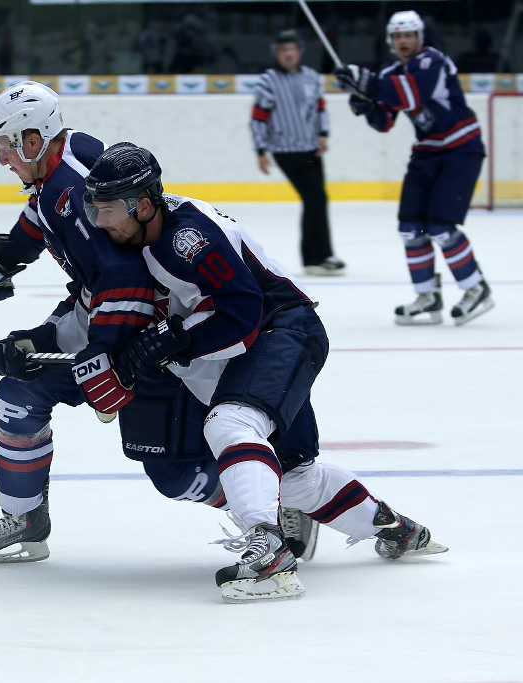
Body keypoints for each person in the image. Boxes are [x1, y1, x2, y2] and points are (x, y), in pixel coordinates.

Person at [0, 81, 322, 578]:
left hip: (150, 336)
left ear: (33, 140)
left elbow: (126, 278)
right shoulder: (64, 161)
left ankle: (277, 507)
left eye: (5, 145)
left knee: (175, 474)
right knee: (19, 394)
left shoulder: (74, 181)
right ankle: (25, 519)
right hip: (111, 323)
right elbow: (45, 214)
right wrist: (8, 255)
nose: (2, 157)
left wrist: (102, 351)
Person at [82, 141, 447, 602]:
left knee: (230, 423)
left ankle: (270, 551)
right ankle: (397, 529)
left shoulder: (187, 237)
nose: (100, 222)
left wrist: (176, 339)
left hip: (282, 330)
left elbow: (241, 310)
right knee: (297, 478)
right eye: (95, 209)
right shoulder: (148, 233)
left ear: (144, 204)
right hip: (256, 342)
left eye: (109, 210)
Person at [335, 10, 494, 326]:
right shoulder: (390, 72)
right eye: (397, 36)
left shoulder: (432, 61)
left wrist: (368, 82)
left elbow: (411, 93)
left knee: (441, 228)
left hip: (461, 149)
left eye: (408, 34)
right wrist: (364, 102)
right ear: (390, 41)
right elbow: (384, 121)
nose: (403, 41)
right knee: (410, 229)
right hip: (426, 153)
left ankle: (476, 288)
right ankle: (427, 296)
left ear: (420, 37)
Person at [251, 29, 345, 277]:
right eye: (283, 50)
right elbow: (259, 117)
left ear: (299, 52)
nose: (288, 54)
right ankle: (319, 256)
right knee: (315, 197)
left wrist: (323, 134)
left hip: (311, 148)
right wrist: (261, 150)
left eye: (292, 49)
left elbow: (320, 108)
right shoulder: (269, 81)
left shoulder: (311, 77)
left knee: (316, 199)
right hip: (285, 150)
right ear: (277, 53)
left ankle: (316, 256)